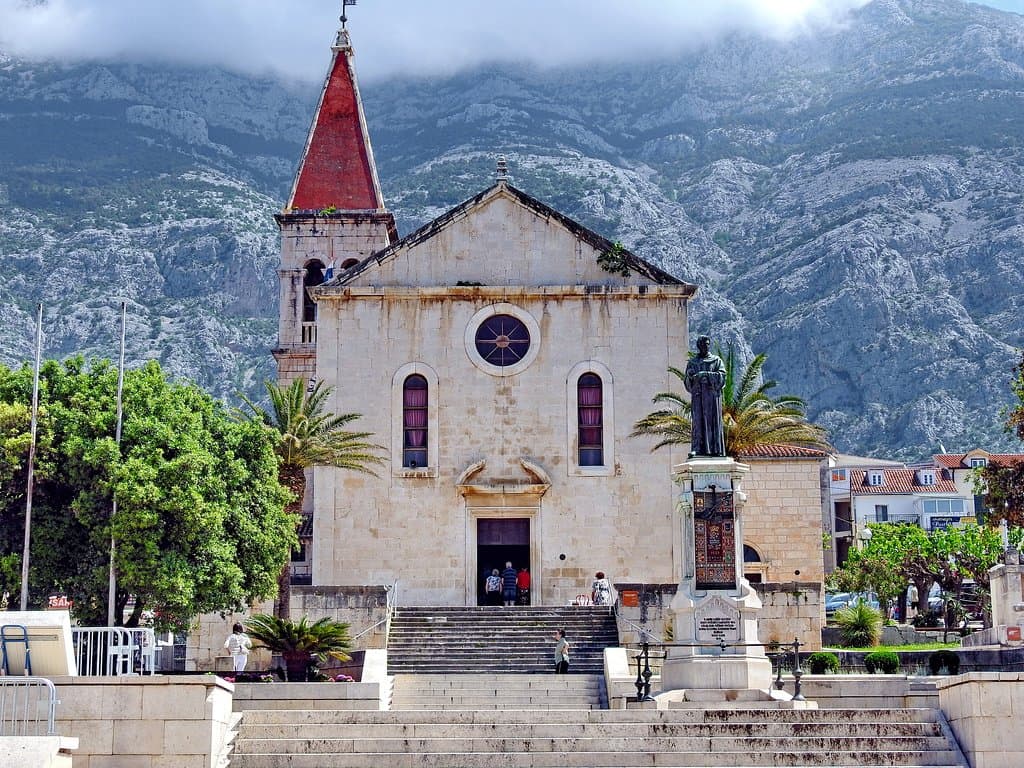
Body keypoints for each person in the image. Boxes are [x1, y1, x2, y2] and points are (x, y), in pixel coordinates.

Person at [684, 335, 726, 457]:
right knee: (698, 422)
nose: (705, 346)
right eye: (703, 344)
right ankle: (697, 449)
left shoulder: (716, 361)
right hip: (698, 397)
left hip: (712, 398)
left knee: (713, 422)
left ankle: (716, 449)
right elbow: (687, 383)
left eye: (707, 344)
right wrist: (690, 376)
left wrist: (706, 375)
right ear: (699, 346)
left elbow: (722, 377)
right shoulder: (692, 363)